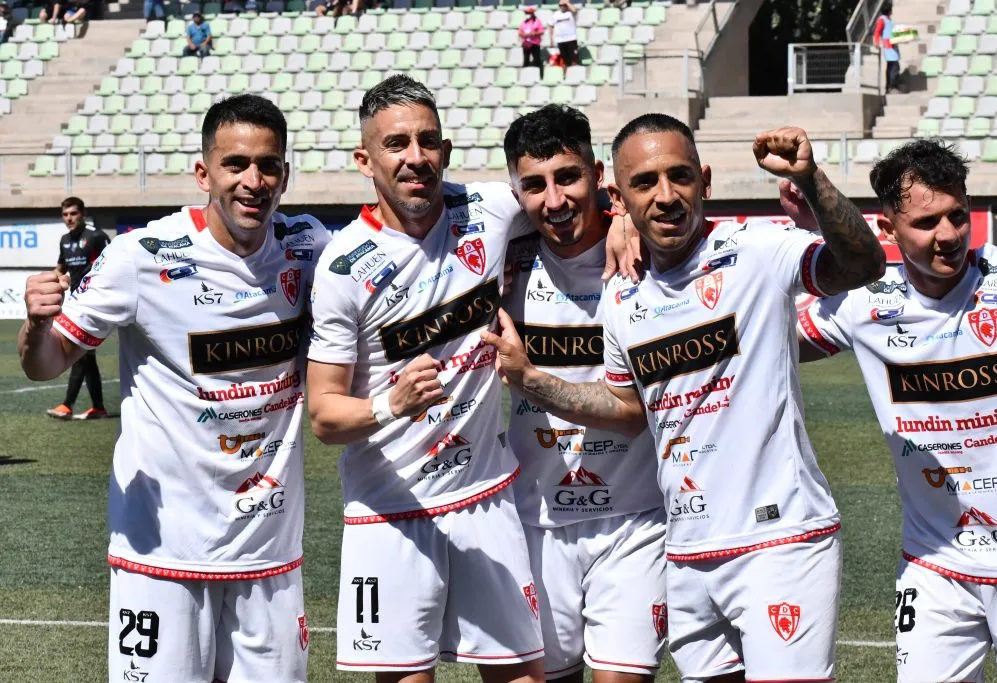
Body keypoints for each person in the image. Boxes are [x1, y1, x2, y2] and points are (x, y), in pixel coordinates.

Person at [483, 114, 887, 683]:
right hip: (685, 547)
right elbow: (626, 406)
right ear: (620, 192)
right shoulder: (622, 293)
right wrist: (528, 379)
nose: (667, 196)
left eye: (680, 177)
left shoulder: (757, 248)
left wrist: (814, 180)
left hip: (771, 536)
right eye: (645, 183)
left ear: (707, 180)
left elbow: (863, 265)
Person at [306, 74, 635, 680]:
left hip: (488, 499)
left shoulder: (486, 208)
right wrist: (389, 404)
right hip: (390, 513)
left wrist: (622, 219)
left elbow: (563, 198)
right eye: (396, 144)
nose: (415, 159)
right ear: (365, 159)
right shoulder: (343, 266)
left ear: (446, 151)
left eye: (427, 141)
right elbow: (324, 416)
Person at [18, 94, 330, 683]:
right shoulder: (140, 256)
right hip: (161, 552)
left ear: (285, 175)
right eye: (235, 164)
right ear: (203, 172)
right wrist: (36, 324)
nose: (253, 181)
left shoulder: (307, 246)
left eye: (268, 166)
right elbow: (47, 363)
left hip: (266, 550)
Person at [796, 139, 997, 683]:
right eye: (926, 223)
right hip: (935, 566)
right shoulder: (864, 303)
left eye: (956, 216)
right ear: (888, 229)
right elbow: (757, 333)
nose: (947, 235)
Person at [502, 104, 666, 683]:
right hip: (534, 522)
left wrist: (626, 215)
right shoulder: (505, 259)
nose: (554, 200)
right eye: (534, 185)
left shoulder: (649, 254)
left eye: (568, 177)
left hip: (635, 518)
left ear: (597, 174)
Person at [45, 196, 111, 420]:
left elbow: (110, 264)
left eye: (73, 213)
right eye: (65, 215)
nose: (69, 218)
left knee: (79, 353)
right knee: (85, 356)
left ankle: (67, 405)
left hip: (92, 302)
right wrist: (52, 284)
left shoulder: (96, 236)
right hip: (73, 302)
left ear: (82, 213)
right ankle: (98, 407)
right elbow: (61, 266)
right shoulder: (65, 239)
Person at [873, 2, 901, 94]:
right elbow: (877, 32)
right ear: (889, 10)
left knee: (891, 67)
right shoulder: (882, 19)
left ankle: (888, 87)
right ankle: (892, 86)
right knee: (894, 66)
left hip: (893, 45)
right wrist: (876, 43)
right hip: (888, 46)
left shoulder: (889, 20)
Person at [549, 0, 578, 69]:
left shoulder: (570, 13)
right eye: (560, 5)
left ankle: (574, 74)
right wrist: (551, 39)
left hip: (571, 39)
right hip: (561, 40)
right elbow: (550, 25)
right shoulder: (555, 14)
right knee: (564, 60)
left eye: (564, 5)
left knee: (573, 60)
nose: (562, 6)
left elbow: (575, 10)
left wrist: (567, 3)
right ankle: (565, 76)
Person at [519, 7, 545, 79]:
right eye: (526, 13)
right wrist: (523, 34)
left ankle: (538, 76)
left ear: (532, 13)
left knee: (536, 60)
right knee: (526, 60)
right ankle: (525, 77)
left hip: (535, 43)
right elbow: (520, 32)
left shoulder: (537, 21)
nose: (527, 14)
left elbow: (542, 31)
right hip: (526, 43)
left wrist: (535, 33)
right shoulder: (524, 22)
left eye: (528, 13)